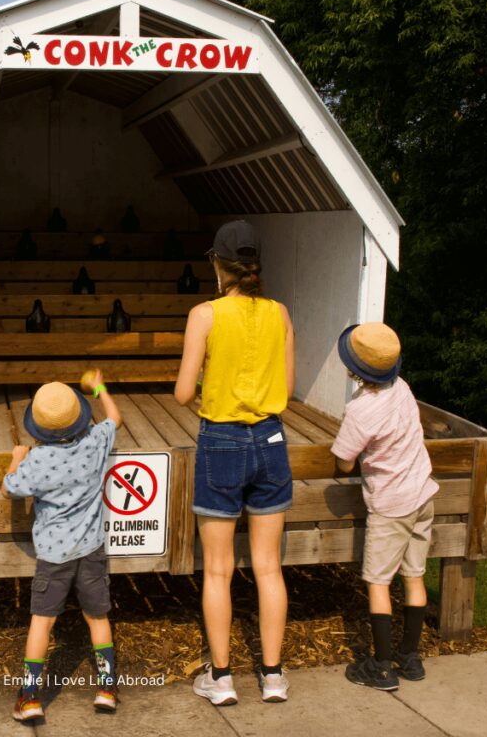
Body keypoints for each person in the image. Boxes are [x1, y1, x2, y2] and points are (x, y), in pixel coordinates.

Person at [175, 219, 295, 706]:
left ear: (218, 264)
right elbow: (285, 391)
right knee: (269, 567)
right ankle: (273, 676)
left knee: (219, 571)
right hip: (271, 440)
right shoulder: (280, 313)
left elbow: (183, 393)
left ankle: (221, 678)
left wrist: (211, 380)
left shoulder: (204, 315)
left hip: (221, 441)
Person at [2, 370, 123, 721]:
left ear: (38, 427)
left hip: (53, 556)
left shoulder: (38, 462)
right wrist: (100, 387)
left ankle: (29, 697)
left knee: (42, 622)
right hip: (91, 550)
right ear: (79, 417)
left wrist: (17, 457)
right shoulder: (95, 442)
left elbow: (9, 487)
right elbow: (115, 418)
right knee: (97, 616)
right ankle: (107, 688)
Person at [330, 322, 438, 690]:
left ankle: (381, 667)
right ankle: (410, 658)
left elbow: (344, 461)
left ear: (353, 370)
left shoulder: (360, 411)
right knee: (414, 575)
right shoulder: (403, 388)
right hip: (422, 494)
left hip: (391, 504)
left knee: (378, 582)